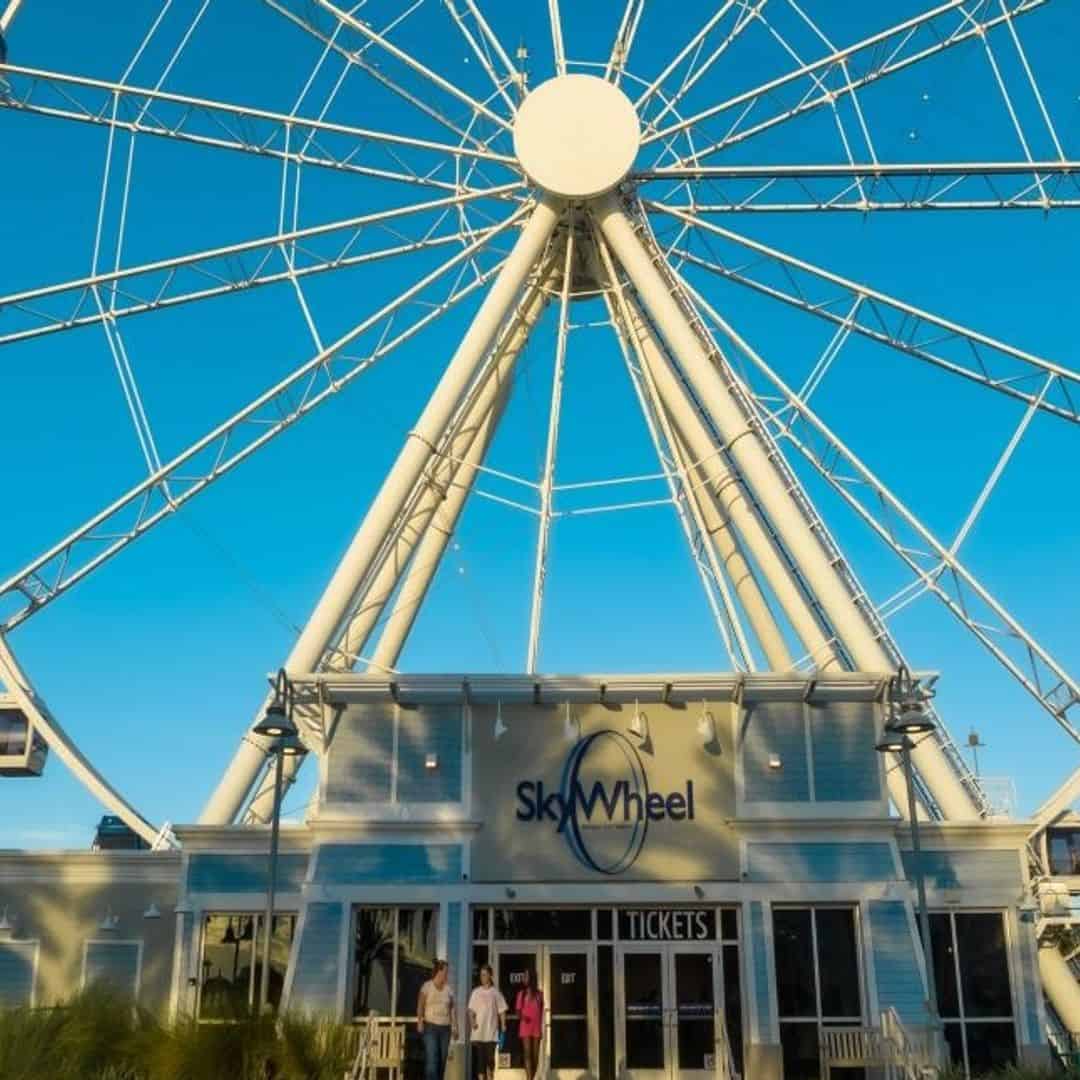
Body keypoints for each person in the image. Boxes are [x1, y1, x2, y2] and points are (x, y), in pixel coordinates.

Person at [418, 959, 458, 1080]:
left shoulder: (449, 990)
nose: (447, 974)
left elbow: (452, 1010)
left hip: (445, 1029)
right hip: (430, 1027)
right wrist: (420, 1021)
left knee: (442, 1060)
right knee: (432, 1059)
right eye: (446, 971)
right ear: (439, 971)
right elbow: (420, 1005)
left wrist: (455, 1027)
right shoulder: (427, 986)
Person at [467, 964, 507, 1080]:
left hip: (491, 1034)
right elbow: (470, 1011)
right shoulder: (476, 992)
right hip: (479, 1033)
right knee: (480, 1062)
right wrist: (472, 1022)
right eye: (481, 975)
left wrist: (503, 1025)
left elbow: (502, 1010)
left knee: (490, 1061)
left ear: (490, 975)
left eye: (484, 975)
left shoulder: (495, 992)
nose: (482, 977)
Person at [515, 969, 544, 1080]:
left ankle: (531, 1077)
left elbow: (541, 1011)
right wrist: (523, 1017)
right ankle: (529, 1078)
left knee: (535, 1056)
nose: (524, 978)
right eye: (523, 976)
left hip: (536, 1027)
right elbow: (517, 1011)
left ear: (531, 978)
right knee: (527, 1054)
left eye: (526, 976)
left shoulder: (539, 994)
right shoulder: (521, 994)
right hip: (525, 1025)